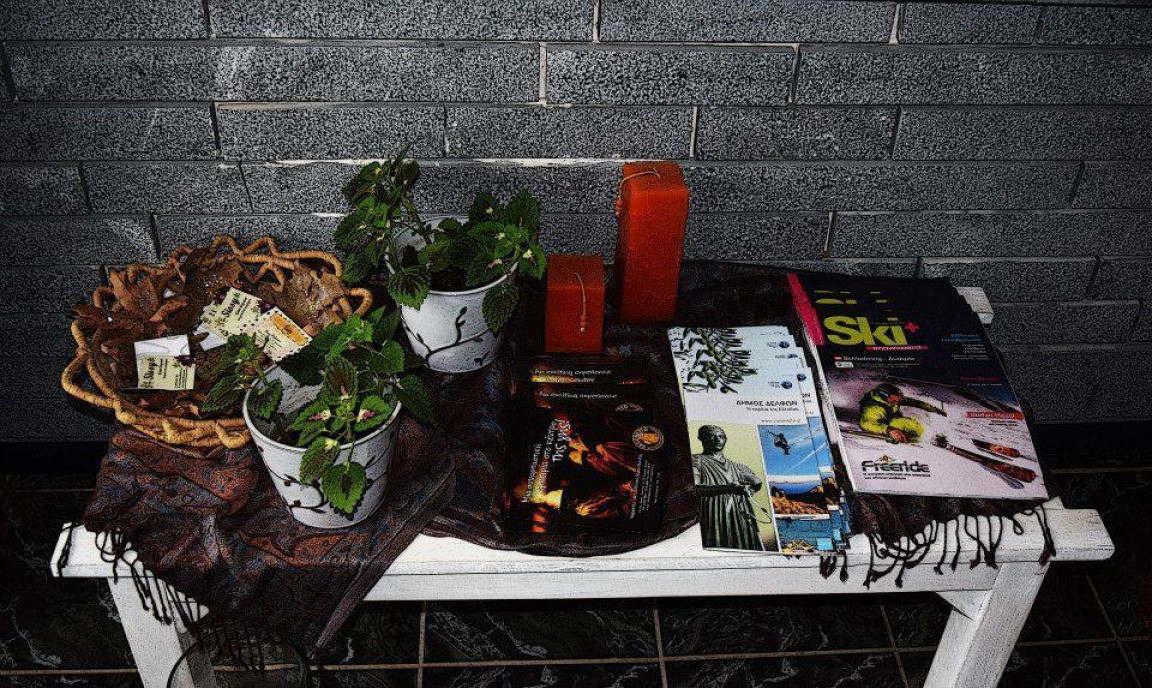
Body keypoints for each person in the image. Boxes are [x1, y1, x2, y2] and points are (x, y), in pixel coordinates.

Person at [691, 425, 765, 550]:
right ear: (701, 438)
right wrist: (728, 488)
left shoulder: (738, 466)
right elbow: (695, 488)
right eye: (712, 436)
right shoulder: (696, 460)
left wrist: (749, 490)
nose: (718, 440)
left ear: (725, 439)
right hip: (713, 513)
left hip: (741, 513)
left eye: (721, 436)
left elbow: (757, 482)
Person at [858, 383, 940, 444]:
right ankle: (924, 439)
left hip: (894, 419)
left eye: (898, 399)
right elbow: (866, 423)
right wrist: (890, 430)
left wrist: (933, 409)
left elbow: (913, 402)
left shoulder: (893, 399)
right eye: (895, 399)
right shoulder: (873, 408)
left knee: (914, 423)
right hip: (885, 425)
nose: (898, 401)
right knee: (909, 425)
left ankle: (931, 437)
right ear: (885, 396)